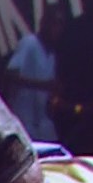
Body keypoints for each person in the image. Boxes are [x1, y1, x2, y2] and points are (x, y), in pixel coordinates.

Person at [5, 8, 65, 142]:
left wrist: (53, 96)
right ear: (43, 23)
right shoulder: (29, 42)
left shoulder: (52, 55)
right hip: (23, 121)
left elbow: (48, 91)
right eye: (53, 23)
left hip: (42, 125)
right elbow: (10, 75)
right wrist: (43, 85)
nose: (56, 29)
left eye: (60, 25)